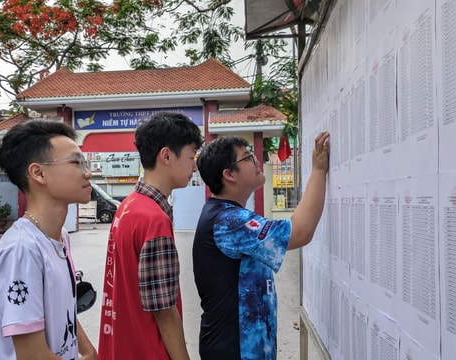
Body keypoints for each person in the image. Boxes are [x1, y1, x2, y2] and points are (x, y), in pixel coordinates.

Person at [193, 131, 330, 360]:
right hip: (234, 350)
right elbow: (300, 231)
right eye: (248, 158)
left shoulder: (228, 214)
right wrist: (318, 170)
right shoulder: (228, 221)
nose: (257, 161)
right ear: (229, 175)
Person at [0, 120, 97, 359]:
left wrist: (88, 351)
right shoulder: (22, 249)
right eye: (76, 162)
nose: (88, 172)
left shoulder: (58, 235)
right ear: (38, 173)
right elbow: (32, 355)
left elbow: (62, 310)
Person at [98, 112, 203, 359]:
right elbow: (164, 311)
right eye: (191, 157)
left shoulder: (129, 206)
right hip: (147, 351)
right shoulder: (153, 220)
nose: (194, 165)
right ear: (166, 155)